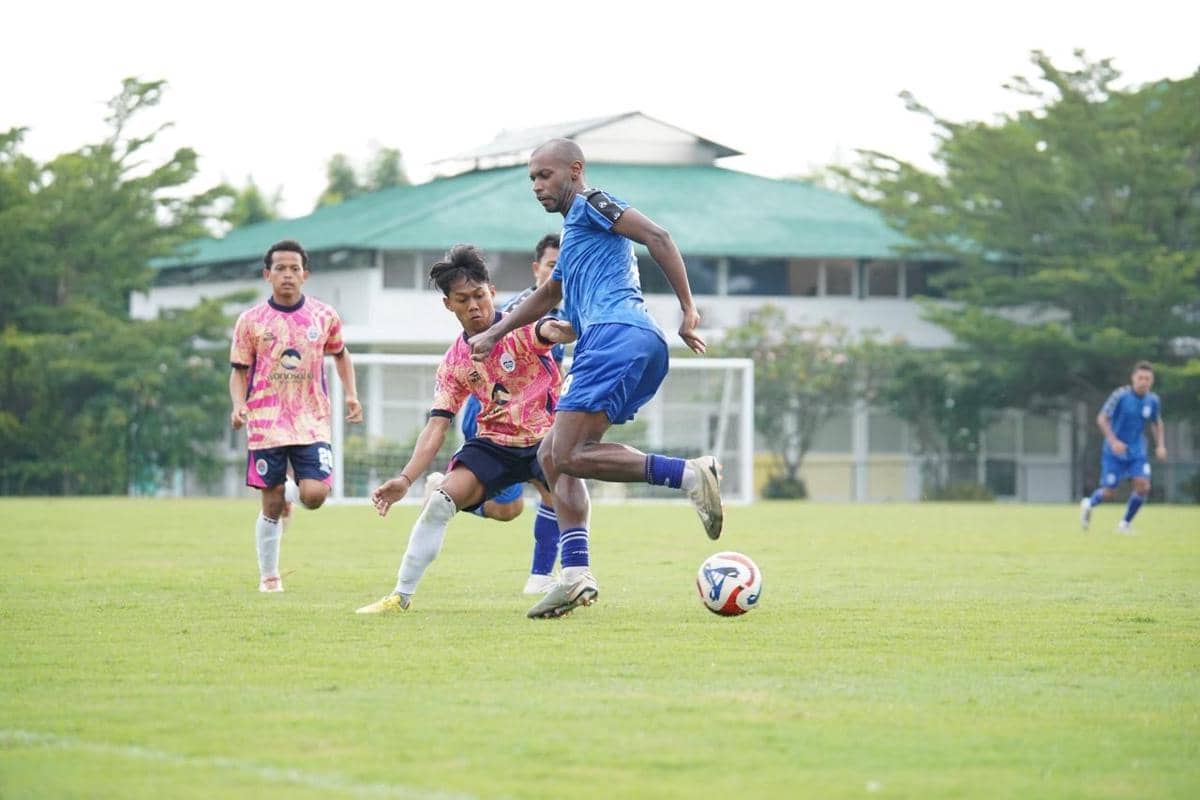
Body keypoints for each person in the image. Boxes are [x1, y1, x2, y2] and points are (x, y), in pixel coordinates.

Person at [468, 138, 723, 620]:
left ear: (574, 170)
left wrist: (689, 309)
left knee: (565, 453)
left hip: (615, 335)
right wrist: (497, 331)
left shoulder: (591, 203)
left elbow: (659, 237)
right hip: (630, 342)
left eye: (545, 175)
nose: (537, 186)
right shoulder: (575, 237)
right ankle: (575, 576)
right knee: (553, 456)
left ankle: (691, 474)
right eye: (531, 178)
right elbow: (549, 294)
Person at [355, 244, 576, 615]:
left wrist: (579, 326)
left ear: (491, 291)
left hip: (545, 438)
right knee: (441, 504)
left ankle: (572, 580)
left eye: (479, 295)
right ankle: (400, 597)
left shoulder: (520, 328)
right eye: (463, 299)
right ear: (449, 305)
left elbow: (552, 329)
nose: (474, 305)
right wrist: (405, 479)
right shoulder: (454, 362)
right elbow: (437, 426)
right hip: (495, 444)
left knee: (568, 498)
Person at [229, 239, 363, 592]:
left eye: (293, 269)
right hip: (266, 422)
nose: (287, 275)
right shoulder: (251, 321)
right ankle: (269, 576)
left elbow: (341, 354)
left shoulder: (323, 315)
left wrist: (351, 395)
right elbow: (239, 369)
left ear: (305, 274)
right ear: (267, 274)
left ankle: (293, 494)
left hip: (311, 420)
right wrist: (238, 404)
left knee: (316, 495)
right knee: (269, 503)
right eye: (279, 269)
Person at [452, 233, 565, 594]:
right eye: (552, 266)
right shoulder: (522, 311)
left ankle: (539, 577)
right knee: (535, 497)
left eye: (567, 266)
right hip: (494, 416)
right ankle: (446, 492)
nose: (560, 273)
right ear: (536, 269)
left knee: (524, 503)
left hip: (538, 418)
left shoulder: (581, 305)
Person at [1079, 361, 1167, 533]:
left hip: (1137, 450)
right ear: (1133, 378)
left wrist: (1161, 445)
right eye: (1140, 378)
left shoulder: (1153, 400)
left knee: (1143, 486)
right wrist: (1113, 441)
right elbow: (1102, 418)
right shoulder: (1120, 395)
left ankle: (1125, 524)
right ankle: (1089, 503)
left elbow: (1157, 422)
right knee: (1109, 492)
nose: (1144, 382)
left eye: (1147, 379)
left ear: (1152, 381)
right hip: (1114, 452)